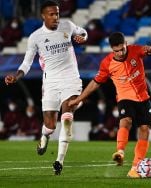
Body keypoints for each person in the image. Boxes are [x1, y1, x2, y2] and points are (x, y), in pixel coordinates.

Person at [4, 0, 87, 175]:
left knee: (67, 116)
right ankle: (44, 136)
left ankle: (59, 161)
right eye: (51, 14)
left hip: (71, 79)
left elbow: (83, 32)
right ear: (43, 16)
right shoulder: (35, 37)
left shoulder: (67, 25)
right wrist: (16, 76)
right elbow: (27, 63)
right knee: (50, 125)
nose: (56, 17)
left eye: (57, 13)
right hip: (50, 82)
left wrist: (82, 38)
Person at [68, 31, 151, 178]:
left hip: (143, 98)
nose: (119, 53)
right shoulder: (107, 63)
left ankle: (135, 168)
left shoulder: (136, 50)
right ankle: (120, 151)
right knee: (126, 121)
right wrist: (79, 99)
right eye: (116, 51)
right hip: (125, 97)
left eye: (122, 49)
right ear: (112, 49)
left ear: (126, 45)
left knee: (145, 129)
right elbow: (95, 83)